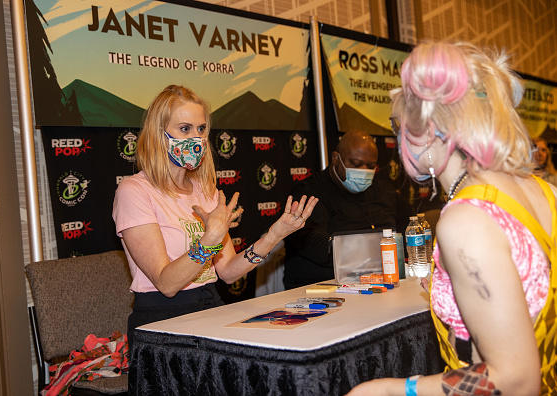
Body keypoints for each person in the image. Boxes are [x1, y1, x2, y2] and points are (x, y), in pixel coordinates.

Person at [346, 41, 557, 396]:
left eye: (399, 128)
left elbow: (515, 380)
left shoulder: (465, 221)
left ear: (430, 133)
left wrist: (392, 390)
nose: (398, 142)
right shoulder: (541, 189)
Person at [112, 85, 318, 348]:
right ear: (159, 134)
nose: (196, 138)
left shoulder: (205, 190)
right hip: (162, 320)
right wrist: (209, 239)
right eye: (185, 129)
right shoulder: (134, 191)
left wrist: (275, 235)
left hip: (210, 307)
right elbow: (166, 283)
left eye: (201, 129)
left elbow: (229, 272)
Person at [283, 130, 413, 289]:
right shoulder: (309, 193)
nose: (364, 170)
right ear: (336, 159)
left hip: (382, 283)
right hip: (323, 287)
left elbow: (410, 229)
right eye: (356, 164)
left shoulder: (385, 192)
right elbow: (313, 243)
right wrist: (373, 249)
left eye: (371, 166)